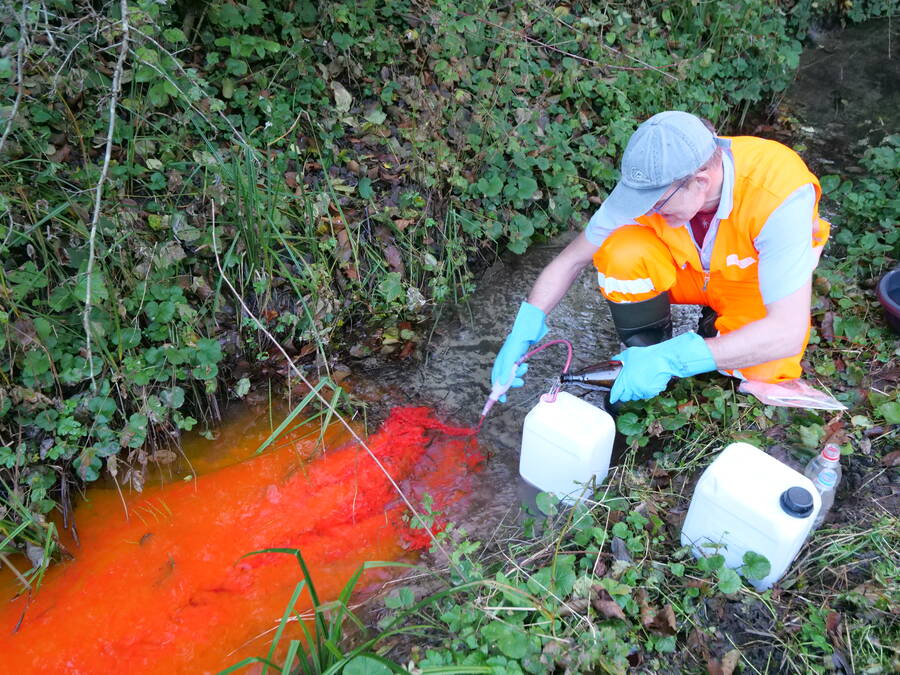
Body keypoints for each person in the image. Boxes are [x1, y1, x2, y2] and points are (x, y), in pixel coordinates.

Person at [491, 110, 829, 404]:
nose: (645, 209)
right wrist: (523, 328)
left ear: (700, 181)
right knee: (621, 252)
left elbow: (786, 331)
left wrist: (674, 360)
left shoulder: (778, 193)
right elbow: (571, 260)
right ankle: (644, 349)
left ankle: (679, 349)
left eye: (657, 202)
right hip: (687, 270)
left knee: (761, 370)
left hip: (750, 279)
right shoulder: (652, 180)